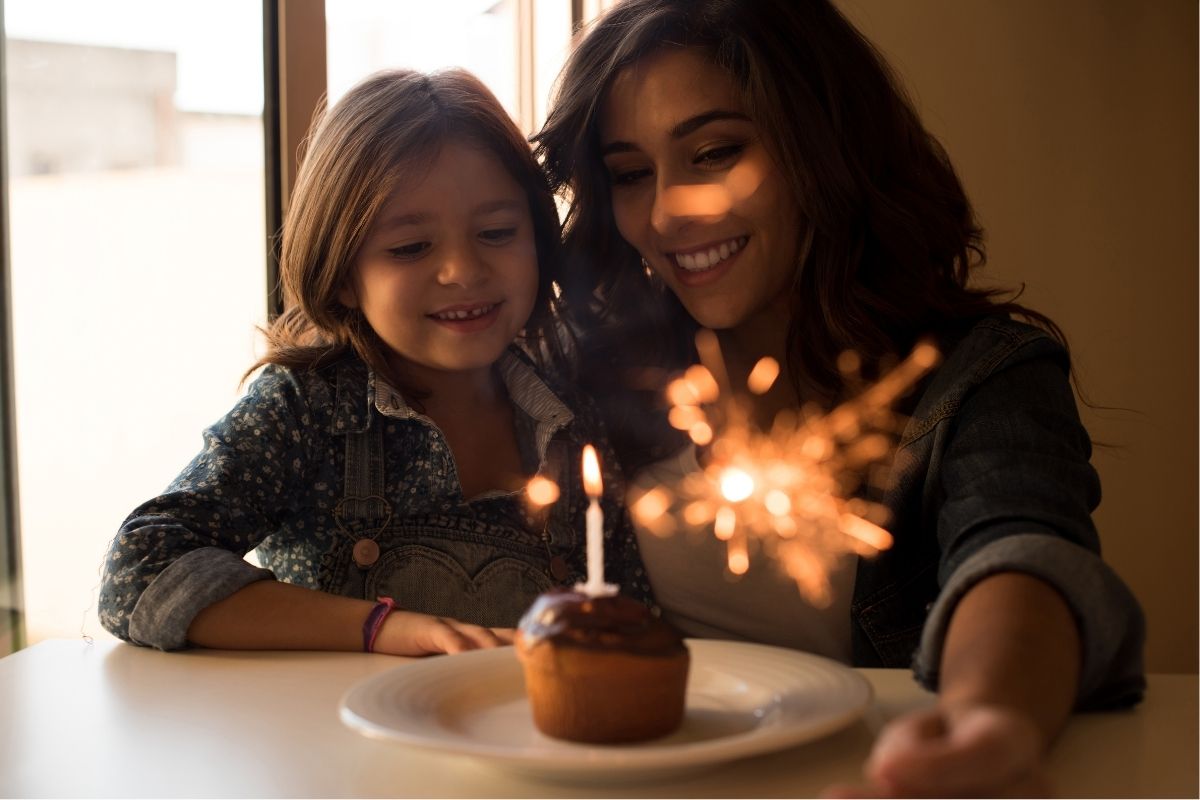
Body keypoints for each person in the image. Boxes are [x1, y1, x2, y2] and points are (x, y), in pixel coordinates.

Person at [534, 0, 1145, 795]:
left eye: (714, 153)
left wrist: (988, 722)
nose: (665, 212)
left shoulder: (974, 377)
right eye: (629, 174)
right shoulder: (588, 377)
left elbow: (1021, 555)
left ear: (821, 148)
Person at [98, 68, 651, 658]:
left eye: (496, 232)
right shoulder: (304, 409)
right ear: (341, 277)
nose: (463, 270)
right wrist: (383, 628)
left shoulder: (573, 422)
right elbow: (140, 569)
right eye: (410, 247)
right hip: (338, 746)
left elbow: (635, 621)